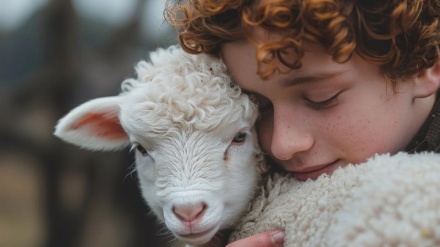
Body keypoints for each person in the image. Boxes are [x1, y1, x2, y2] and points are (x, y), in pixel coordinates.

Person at [164, 0, 440, 246]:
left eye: (321, 98)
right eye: (259, 107)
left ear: (423, 65)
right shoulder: (245, 183)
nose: (282, 145)